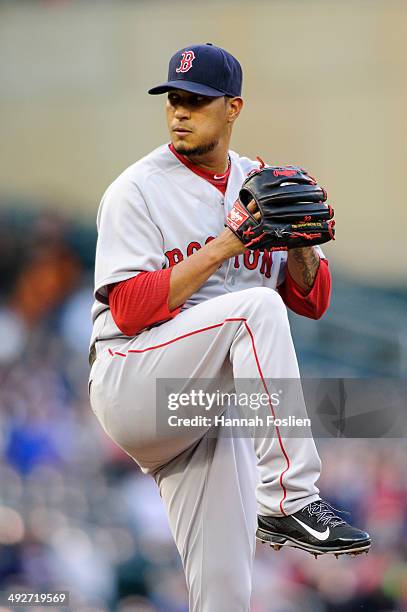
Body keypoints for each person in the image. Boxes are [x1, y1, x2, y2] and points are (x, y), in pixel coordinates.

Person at [88, 43, 371, 611]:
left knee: (226, 594)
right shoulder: (136, 190)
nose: (179, 112)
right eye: (173, 100)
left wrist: (302, 246)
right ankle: (291, 499)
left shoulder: (257, 181)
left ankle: (280, 507)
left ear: (233, 108)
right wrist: (228, 244)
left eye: (196, 101)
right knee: (253, 309)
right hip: (134, 377)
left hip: (205, 407)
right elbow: (128, 311)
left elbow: (312, 301)